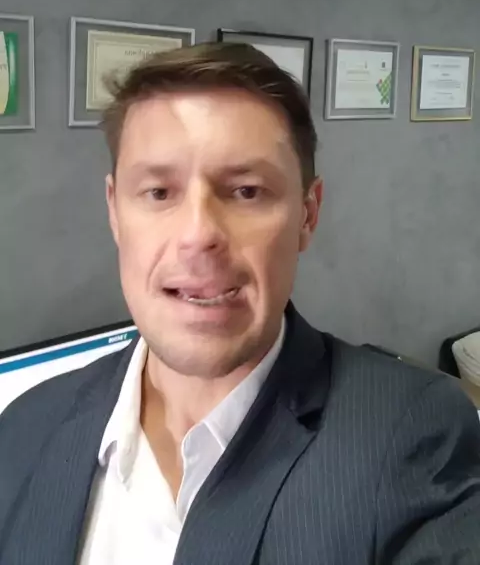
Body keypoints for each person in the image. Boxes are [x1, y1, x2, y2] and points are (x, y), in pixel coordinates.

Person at [1, 42, 480, 565]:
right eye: (159, 192)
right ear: (115, 212)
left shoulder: (414, 433)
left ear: (307, 214)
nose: (198, 235)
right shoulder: (25, 423)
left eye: (247, 191)